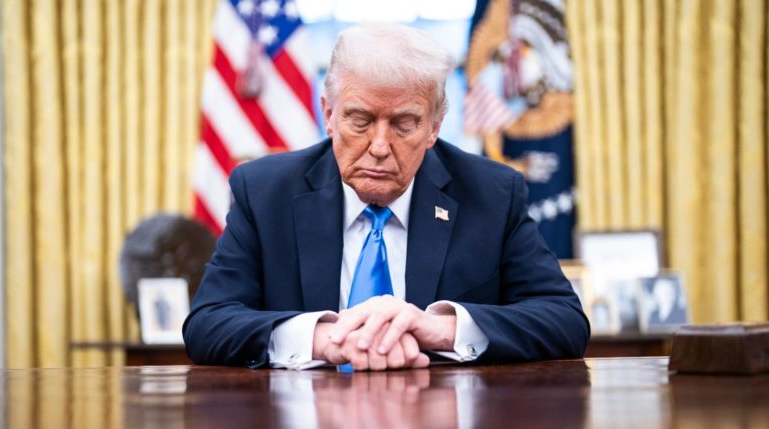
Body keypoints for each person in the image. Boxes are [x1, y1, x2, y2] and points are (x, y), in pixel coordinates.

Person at [183, 23, 589, 370]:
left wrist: (438, 329)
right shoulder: (264, 191)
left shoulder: (492, 193)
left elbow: (564, 320)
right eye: (359, 120)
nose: (379, 145)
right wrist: (326, 339)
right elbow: (208, 324)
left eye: (404, 124)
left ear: (434, 126)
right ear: (328, 114)